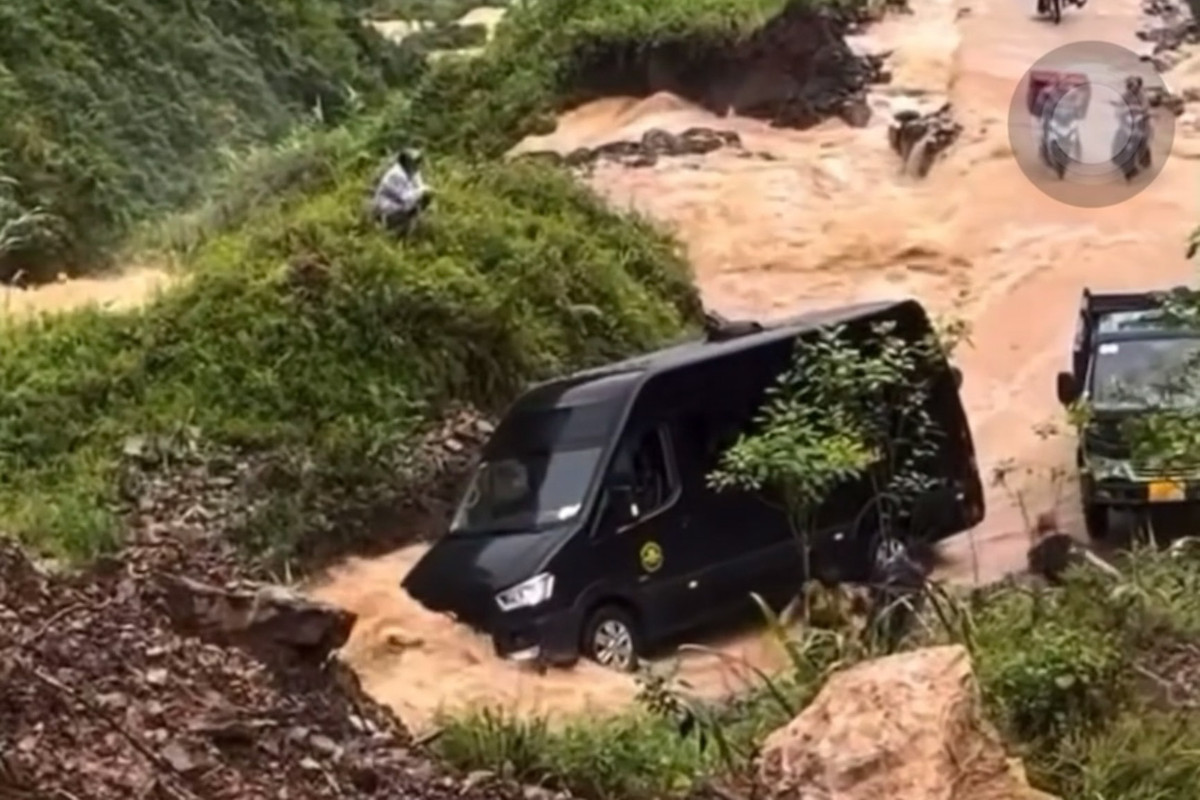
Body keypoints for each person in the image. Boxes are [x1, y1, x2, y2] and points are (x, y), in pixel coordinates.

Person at [371, 148, 432, 235]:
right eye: (415, 161)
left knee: (423, 199)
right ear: (406, 162)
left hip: (400, 205)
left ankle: (410, 228)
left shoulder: (412, 172)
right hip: (387, 210)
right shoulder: (396, 175)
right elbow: (406, 198)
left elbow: (418, 187)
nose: (418, 164)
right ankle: (397, 230)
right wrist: (422, 191)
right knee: (421, 198)